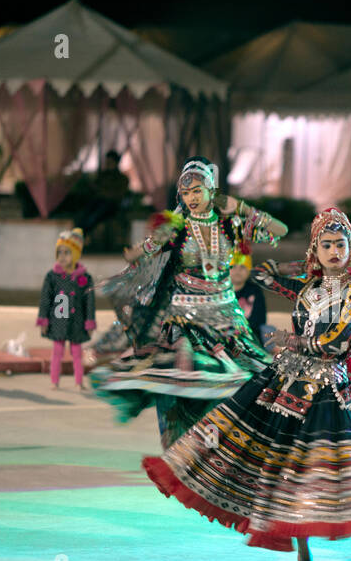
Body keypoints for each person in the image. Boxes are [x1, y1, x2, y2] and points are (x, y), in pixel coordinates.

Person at [144, 209, 351, 561]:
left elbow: (333, 342)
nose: (335, 251)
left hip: (329, 392)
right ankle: (304, 557)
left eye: (341, 244)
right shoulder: (309, 287)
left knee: (342, 472)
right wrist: (302, 263)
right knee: (284, 469)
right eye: (326, 245)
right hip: (286, 385)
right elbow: (263, 273)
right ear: (316, 251)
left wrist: (290, 339)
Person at [91, 156, 288, 447]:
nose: (191, 197)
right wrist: (151, 242)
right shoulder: (178, 227)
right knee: (180, 387)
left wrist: (243, 208)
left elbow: (279, 231)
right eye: (185, 192)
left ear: (212, 190)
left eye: (197, 190)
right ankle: (183, 453)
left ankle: (221, 455)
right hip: (185, 321)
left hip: (228, 323)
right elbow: (136, 256)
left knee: (239, 388)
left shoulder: (230, 224)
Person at [37, 228, 96, 389]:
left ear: (76, 254)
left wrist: (89, 322)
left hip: (77, 322)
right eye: (59, 252)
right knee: (57, 352)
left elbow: (89, 301)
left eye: (67, 252)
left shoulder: (84, 278)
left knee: (77, 353)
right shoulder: (52, 277)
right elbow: (45, 299)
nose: (62, 256)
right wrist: (44, 320)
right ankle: (54, 381)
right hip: (58, 321)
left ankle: (79, 382)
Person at [77, 150, 131, 239]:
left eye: (110, 162)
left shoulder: (121, 179)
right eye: (107, 162)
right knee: (86, 211)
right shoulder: (103, 176)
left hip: (112, 206)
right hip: (98, 202)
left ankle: (81, 233)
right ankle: (79, 232)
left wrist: (102, 192)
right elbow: (95, 190)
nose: (108, 164)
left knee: (95, 214)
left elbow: (117, 195)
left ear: (116, 163)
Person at [229, 253, 273, 349]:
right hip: (226, 334)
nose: (238, 271)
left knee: (268, 331)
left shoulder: (254, 291)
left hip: (249, 334)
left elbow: (260, 320)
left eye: (243, 267)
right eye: (233, 267)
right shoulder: (222, 292)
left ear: (250, 270)